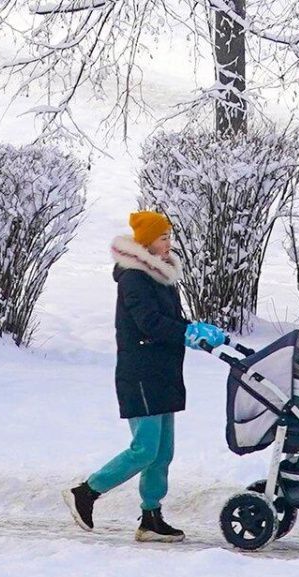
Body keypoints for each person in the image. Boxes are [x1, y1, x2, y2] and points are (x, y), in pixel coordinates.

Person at [63, 211, 226, 543]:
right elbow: (148, 323)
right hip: (140, 373)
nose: (168, 242)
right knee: (145, 449)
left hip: (163, 371)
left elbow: (167, 318)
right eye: (162, 237)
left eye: (169, 236)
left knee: (163, 451)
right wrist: (186, 333)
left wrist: (194, 330)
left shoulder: (161, 276)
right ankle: (86, 491)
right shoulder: (134, 278)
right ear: (146, 242)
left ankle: (151, 517)